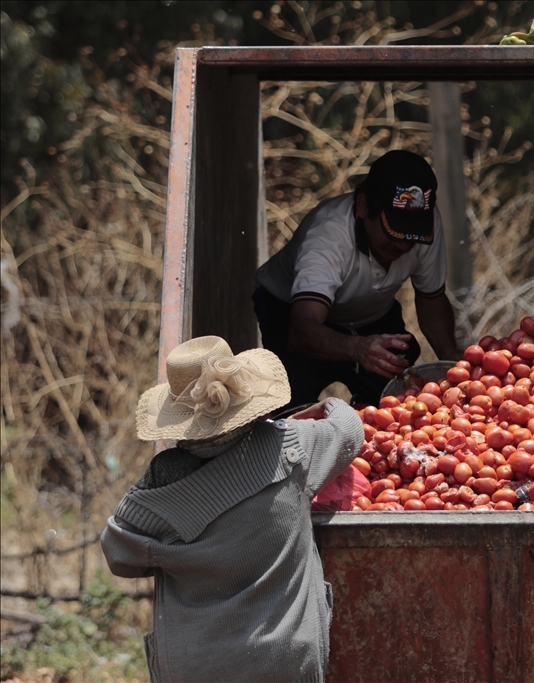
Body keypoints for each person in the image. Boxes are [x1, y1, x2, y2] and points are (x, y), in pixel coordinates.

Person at [100, 335, 364, 683]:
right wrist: (328, 404)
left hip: (197, 667)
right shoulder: (292, 446)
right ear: (250, 404)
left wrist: (185, 554)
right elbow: (349, 430)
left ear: (180, 423)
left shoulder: (162, 480)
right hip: (286, 661)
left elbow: (119, 554)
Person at [253, 150, 460, 409]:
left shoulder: (427, 226)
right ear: (363, 206)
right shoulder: (327, 236)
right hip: (295, 314)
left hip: (371, 312)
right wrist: (358, 348)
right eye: (394, 231)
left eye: (413, 234)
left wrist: (452, 358)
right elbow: (301, 330)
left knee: (396, 397)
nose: (405, 245)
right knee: (290, 404)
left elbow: (431, 298)